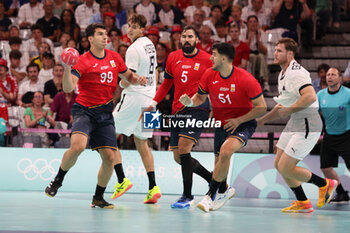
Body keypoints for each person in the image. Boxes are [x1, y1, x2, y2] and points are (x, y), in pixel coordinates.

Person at [44, 23, 146, 208]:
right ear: (90, 39)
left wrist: (138, 79)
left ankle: (98, 197)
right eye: (100, 34)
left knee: (109, 157)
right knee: (78, 147)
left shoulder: (115, 57)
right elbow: (68, 87)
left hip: (105, 113)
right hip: (84, 111)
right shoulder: (82, 61)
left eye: (105, 34)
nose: (105, 37)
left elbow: (128, 76)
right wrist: (67, 69)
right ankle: (58, 180)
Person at [179, 42, 267, 212]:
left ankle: (209, 196)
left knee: (226, 151)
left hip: (244, 123)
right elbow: (200, 97)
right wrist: (189, 102)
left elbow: (262, 107)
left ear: (224, 58)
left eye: (214, 54)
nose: (211, 57)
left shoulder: (245, 78)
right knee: (220, 161)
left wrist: (239, 120)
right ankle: (224, 190)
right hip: (221, 124)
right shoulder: (209, 74)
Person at [257, 38, 337, 213]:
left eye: (279, 50)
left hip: (308, 123)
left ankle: (326, 184)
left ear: (290, 53)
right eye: (275, 50)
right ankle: (302, 202)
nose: (275, 53)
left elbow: (310, 96)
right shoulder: (282, 73)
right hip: (296, 120)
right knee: (278, 164)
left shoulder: (296, 73)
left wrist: (290, 109)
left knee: (286, 167)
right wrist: (263, 120)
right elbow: (282, 105)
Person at [143, 26, 213, 208]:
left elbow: (217, 82)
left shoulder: (207, 59)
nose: (187, 39)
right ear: (180, 40)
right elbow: (166, 85)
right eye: (184, 37)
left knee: (183, 148)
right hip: (177, 109)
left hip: (198, 107)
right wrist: (153, 103)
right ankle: (214, 180)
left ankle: (187, 196)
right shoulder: (173, 57)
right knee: (178, 156)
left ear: (197, 40)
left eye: (190, 36)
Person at [111, 14, 161, 204]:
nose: (129, 30)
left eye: (134, 27)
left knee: (106, 134)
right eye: (128, 26)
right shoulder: (150, 44)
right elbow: (154, 71)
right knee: (142, 144)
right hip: (151, 101)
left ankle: (122, 180)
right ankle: (153, 188)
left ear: (142, 29)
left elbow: (128, 77)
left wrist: (121, 84)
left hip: (135, 97)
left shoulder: (132, 49)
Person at [317, 67, 350, 203]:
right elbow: (314, 114)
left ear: (339, 78)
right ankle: (342, 193)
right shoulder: (320, 95)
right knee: (325, 168)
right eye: (328, 75)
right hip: (329, 136)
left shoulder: (348, 94)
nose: (329, 77)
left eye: (333, 75)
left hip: (347, 135)